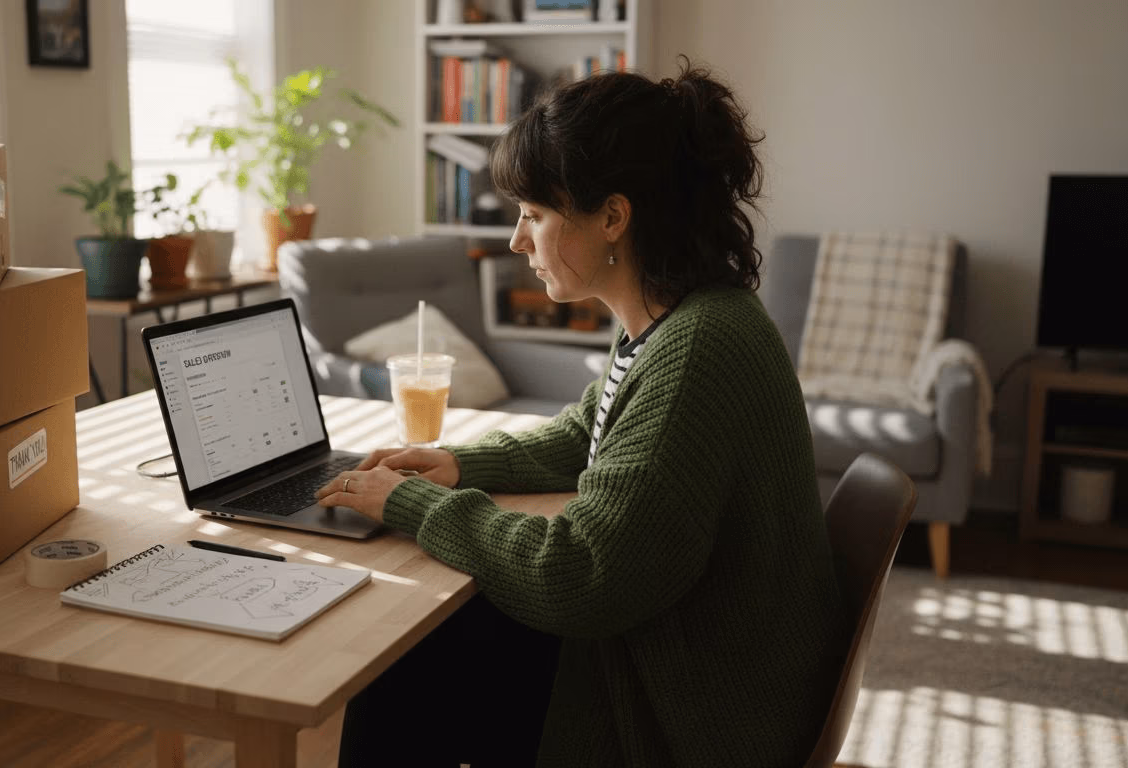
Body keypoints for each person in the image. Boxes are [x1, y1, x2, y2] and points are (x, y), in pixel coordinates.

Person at [316, 57, 846, 767]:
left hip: (693, 718)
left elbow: (584, 574)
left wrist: (413, 504)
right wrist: (459, 463)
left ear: (613, 218)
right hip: (696, 664)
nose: (516, 240)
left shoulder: (696, 351)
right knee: (432, 646)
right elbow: (588, 434)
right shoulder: (675, 318)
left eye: (534, 215)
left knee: (402, 671)